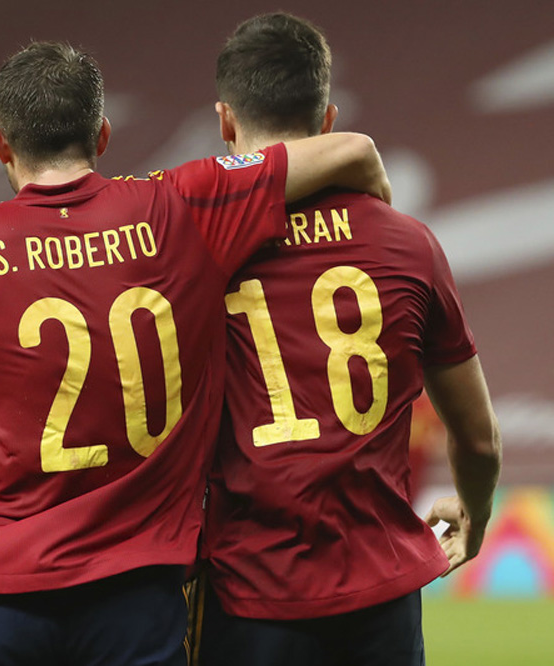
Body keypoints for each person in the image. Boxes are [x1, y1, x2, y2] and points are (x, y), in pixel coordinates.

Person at [0, 40, 391, 666]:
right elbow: (355, 150)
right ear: (104, 133)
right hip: (137, 592)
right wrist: (386, 229)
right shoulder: (181, 205)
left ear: (0, 143)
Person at [192, 13, 503, 666]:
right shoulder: (408, 242)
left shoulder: (192, 245)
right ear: (326, 119)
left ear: (224, 121)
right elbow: (478, 438)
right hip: (381, 599)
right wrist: (473, 514)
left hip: (250, 593)